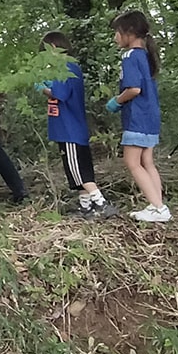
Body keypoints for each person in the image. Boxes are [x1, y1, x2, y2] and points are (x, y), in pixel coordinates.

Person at [38, 32, 119, 219]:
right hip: (72, 128)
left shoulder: (64, 68)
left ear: (54, 48)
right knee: (77, 167)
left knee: (77, 170)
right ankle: (86, 206)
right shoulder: (71, 67)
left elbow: (59, 94)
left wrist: (43, 88)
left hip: (69, 128)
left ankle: (101, 203)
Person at [105, 11, 170, 223]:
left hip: (137, 117)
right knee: (147, 161)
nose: (115, 37)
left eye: (117, 32)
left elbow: (134, 89)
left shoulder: (130, 56)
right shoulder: (146, 55)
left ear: (130, 32)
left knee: (132, 162)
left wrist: (117, 101)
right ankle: (158, 205)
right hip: (151, 115)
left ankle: (158, 208)